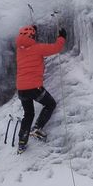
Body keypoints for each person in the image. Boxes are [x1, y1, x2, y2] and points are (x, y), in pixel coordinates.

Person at [15, 25, 66, 154]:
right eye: (33, 36)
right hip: (34, 88)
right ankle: (37, 128)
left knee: (28, 114)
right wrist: (62, 37)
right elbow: (56, 48)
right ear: (31, 36)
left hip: (21, 89)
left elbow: (28, 45)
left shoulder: (19, 51)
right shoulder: (38, 48)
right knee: (50, 104)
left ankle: (22, 142)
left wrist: (32, 30)